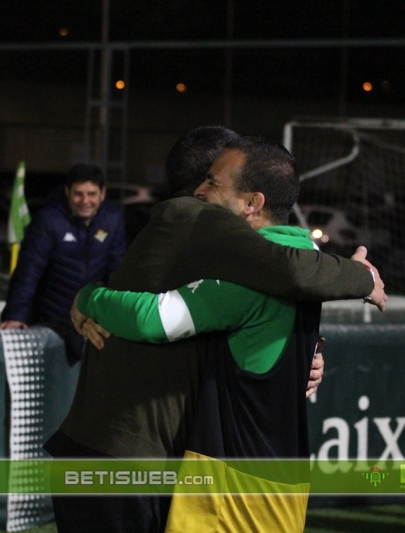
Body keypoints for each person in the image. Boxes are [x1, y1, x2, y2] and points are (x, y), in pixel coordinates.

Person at [44, 125, 386, 533]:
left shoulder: (200, 235)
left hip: (116, 451)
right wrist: (361, 276)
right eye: (216, 175)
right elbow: (290, 268)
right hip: (127, 460)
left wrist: (304, 355)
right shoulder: (199, 218)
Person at [0, 163, 126, 364]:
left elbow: (117, 270)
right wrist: (15, 315)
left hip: (92, 319)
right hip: (52, 320)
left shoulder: (113, 219)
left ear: (102, 194)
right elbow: (29, 270)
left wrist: (117, 315)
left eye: (91, 194)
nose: (85, 201)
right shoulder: (48, 220)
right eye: (78, 194)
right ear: (67, 192)